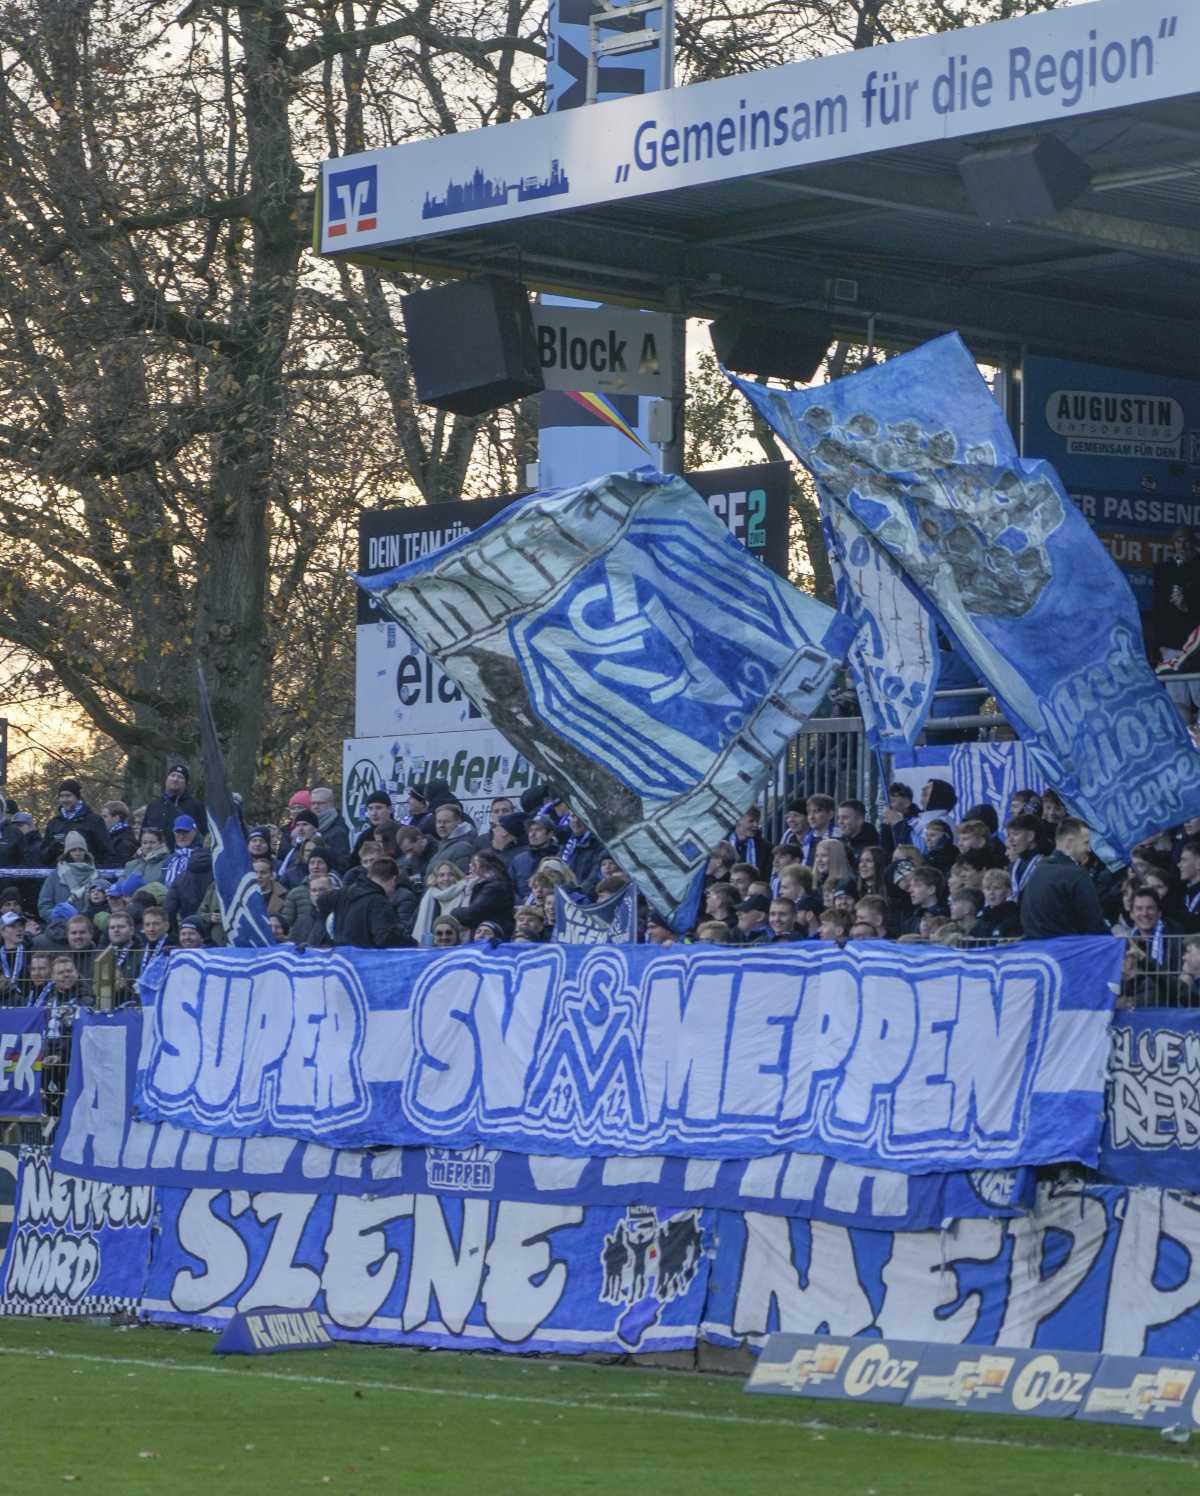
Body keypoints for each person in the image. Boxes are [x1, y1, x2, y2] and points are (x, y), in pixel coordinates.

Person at [1019, 819, 1110, 939]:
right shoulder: (1076, 875)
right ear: (1069, 843)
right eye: (1086, 843)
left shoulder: (1037, 872)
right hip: (1068, 953)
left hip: (1038, 952)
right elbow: (1094, 924)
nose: (1089, 849)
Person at [321, 856, 416, 948]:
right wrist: (412, 943)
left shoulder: (343, 892)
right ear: (393, 880)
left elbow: (321, 901)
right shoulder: (379, 901)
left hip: (342, 959)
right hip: (364, 960)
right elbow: (384, 937)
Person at [40, 779, 111, 865]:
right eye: (61, 796)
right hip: (60, 874)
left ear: (77, 797)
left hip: (87, 873)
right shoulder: (54, 823)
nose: (64, 800)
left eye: (68, 796)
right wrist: (55, 846)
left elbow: (107, 851)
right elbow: (43, 856)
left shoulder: (94, 820)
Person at [450, 850, 516, 938]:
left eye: (474, 865)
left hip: (494, 938)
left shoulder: (494, 888)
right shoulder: (487, 885)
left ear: (485, 867)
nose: (470, 869)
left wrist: (453, 911)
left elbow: (471, 914)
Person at [141, 763, 207, 848]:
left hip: (184, 856)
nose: (175, 779)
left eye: (180, 777)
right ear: (166, 779)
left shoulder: (196, 805)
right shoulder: (154, 805)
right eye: (172, 775)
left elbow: (204, 832)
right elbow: (144, 831)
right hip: (154, 857)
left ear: (186, 783)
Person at [971, 869, 1022, 940]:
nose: (991, 893)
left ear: (1008, 892)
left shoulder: (1014, 917)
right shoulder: (982, 918)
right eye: (988, 889)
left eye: (996, 888)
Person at [561, 812, 604, 895]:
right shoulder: (567, 842)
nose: (576, 821)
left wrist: (578, 893)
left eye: (580, 816)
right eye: (573, 816)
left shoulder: (599, 843)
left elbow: (596, 874)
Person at [309, 785, 352, 869]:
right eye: (313, 803)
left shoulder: (339, 831)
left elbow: (343, 863)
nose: (316, 806)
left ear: (331, 804)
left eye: (320, 803)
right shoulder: (310, 826)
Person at [433, 802, 477, 872]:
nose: (441, 826)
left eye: (446, 822)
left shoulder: (463, 849)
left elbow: (461, 878)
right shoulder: (444, 844)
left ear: (459, 822)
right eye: (439, 822)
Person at [879, 782, 919, 857]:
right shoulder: (887, 824)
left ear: (907, 803)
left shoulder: (917, 822)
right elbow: (885, 853)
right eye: (887, 803)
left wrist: (897, 824)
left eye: (893, 801)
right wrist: (885, 828)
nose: (889, 806)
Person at [834, 799, 878, 866]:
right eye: (838, 818)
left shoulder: (872, 847)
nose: (840, 822)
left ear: (859, 820)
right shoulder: (839, 843)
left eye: (845, 818)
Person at [728, 808, 771, 874]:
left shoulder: (766, 847)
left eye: (757, 821)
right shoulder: (721, 844)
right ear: (738, 821)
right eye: (751, 821)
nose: (756, 825)